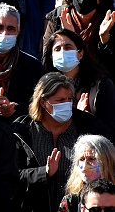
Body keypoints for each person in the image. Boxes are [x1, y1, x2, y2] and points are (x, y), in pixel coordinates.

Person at [12, 73, 113, 212]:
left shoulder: (87, 125)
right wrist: (44, 173)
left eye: (69, 99)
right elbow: (11, 175)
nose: (66, 104)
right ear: (43, 102)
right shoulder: (22, 130)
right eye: (60, 100)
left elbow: (108, 156)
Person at [43, 0, 115, 77]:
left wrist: (104, 39)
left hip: (98, 83)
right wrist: (69, 37)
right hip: (63, 82)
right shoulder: (57, 18)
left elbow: (111, 68)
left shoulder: (110, 19)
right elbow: (47, 63)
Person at [43, 29, 115, 132]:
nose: (63, 52)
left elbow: (110, 131)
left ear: (80, 54)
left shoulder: (101, 85)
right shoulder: (45, 87)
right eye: (57, 49)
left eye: (68, 47)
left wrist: (85, 117)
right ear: (51, 57)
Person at [59, 135, 115, 212]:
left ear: (107, 161)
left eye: (92, 159)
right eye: (81, 159)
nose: (84, 166)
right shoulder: (71, 201)